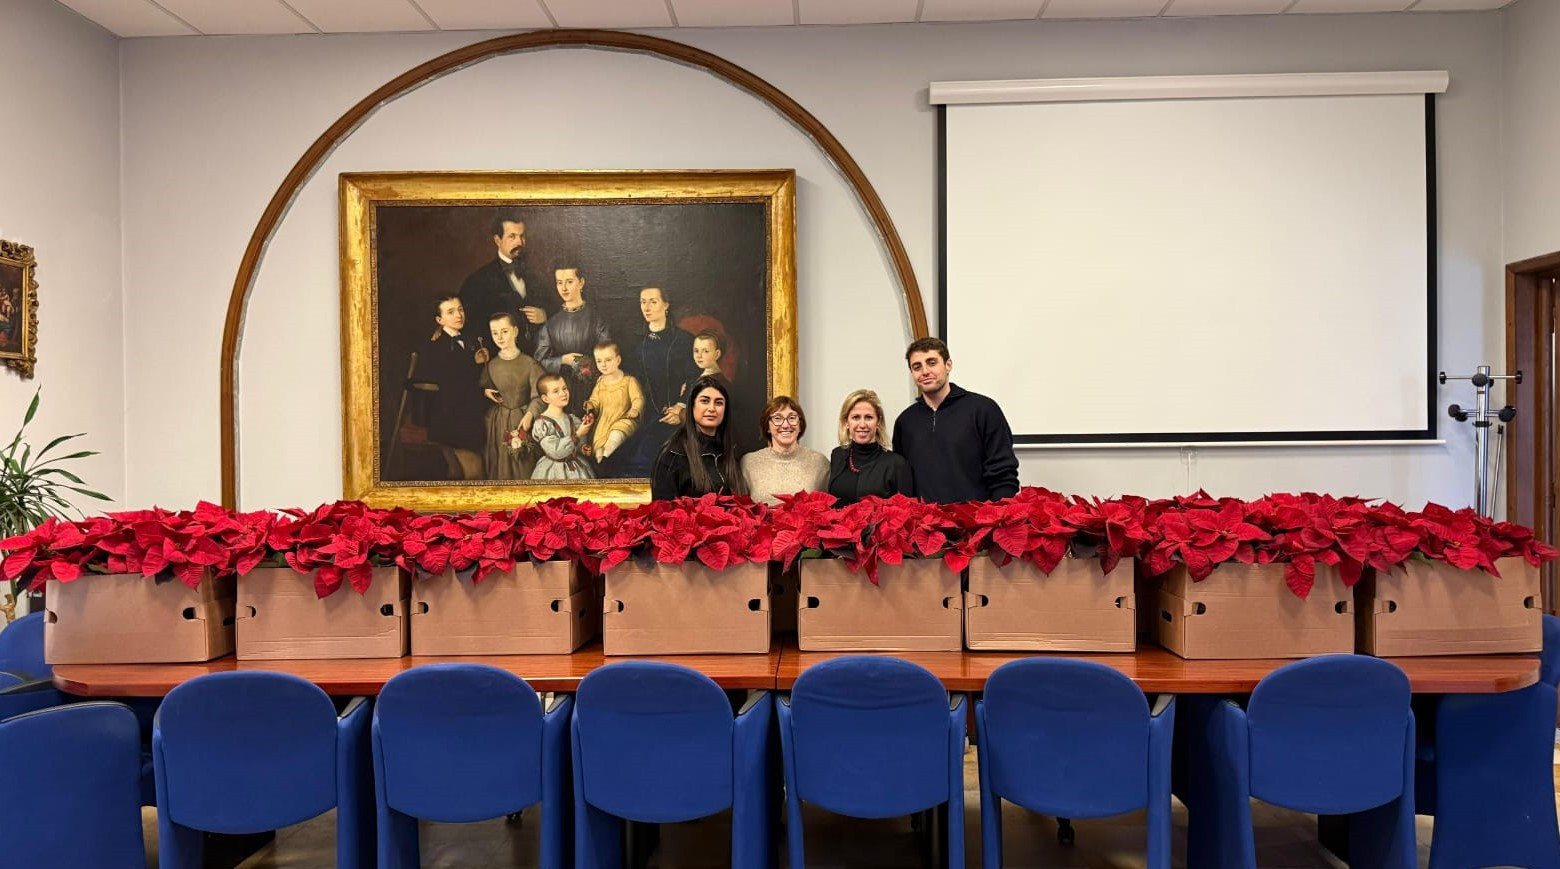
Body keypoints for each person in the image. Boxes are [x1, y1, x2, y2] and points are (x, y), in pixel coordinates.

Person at [891, 337, 1020, 504]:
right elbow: (903, 482)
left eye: (932, 363)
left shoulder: (983, 410)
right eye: (917, 367)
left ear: (948, 365)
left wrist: (998, 515)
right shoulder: (905, 422)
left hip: (974, 518)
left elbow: (1003, 475)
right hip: (925, 519)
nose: (925, 371)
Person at [623, 286, 701, 476]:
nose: (646, 307)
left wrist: (681, 407)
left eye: (653, 301)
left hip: (674, 414)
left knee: (650, 459)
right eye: (643, 302)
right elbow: (630, 380)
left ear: (666, 305)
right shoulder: (635, 343)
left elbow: (695, 377)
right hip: (644, 412)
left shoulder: (684, 340)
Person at [415, 294, 491, 471]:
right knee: (474, 471)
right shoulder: (434, 346)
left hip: (470, 415)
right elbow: (450, 382)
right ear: (439, 320)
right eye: (451, 312)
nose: (458, 315)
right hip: (452, 419)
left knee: (461, 471)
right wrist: (473, 362)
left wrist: (481, 362)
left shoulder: (471, 340)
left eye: (460, 309)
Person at [458, 214, 548, 356]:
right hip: (498, 358)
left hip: (534, 356)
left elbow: (556, 306)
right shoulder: (478, 280)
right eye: (512, 236)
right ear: (497, 240)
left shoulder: (534, 276)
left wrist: (544, 315)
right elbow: (466, 324)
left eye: (522, 236)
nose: (519, 242)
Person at [651, 375, 748, 500]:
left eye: (718, 403)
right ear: (692, 407)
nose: (711, 408)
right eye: (705, 401)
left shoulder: (731, 451)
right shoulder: (672, 455)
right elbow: (662, 510)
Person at [533, 263, 611, 414]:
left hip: (595, 388)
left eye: (569, 282)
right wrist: (563, 360)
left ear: (581, 283)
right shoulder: (551, 324)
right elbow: (539, 361)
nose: (564, 288)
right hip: (563, 394)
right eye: (559, 283)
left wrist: (587, 364)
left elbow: (609, 353)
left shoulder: (597, 320)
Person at [479, 312, 544, 480]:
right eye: (495, 333)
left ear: (515, 332)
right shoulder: (491, 365)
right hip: (497, 423)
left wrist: (530, 415)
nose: (499, 337)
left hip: (522, 421)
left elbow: (540, 396)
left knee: (523, 467)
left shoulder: (530, 363)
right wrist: (485, 391)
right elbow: (482, 388)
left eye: (504, 331)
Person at [829, 389, 914, 504]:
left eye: (868, 417)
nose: (862, 425)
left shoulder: (897, 464)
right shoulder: (837, 455)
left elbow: (905, 510)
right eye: (856, 417)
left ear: (878, 422)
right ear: (846, 422)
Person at [741, 395, 829, 505]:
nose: (786, 425)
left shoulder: (819, 462)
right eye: (777, 418)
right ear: (767, 427)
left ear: (800, 425)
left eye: (792, 418)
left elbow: (827, 507)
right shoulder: (749, 463)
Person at [582, 340, 644, 473]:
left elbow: (638, 399)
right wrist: (590, 405)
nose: (603, 365)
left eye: (608, 360)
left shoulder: (629, 381)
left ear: (618, 360)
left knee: (616, 433)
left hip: (624, 418)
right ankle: (601, 464)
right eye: (599, 361)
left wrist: (635, 409)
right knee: (599, 445)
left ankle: (606, 457)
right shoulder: (600, 384)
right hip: (604, 422)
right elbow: (595, 401)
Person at [531, 374, 595, 481]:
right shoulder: (543, 423)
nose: (563, 393)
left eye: (564, 388)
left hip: (577, 468)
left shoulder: (572, 419)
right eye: (556, 391)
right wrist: (578, 434)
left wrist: (582, 448)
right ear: (545, 398)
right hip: (553, 470)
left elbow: (578, 443)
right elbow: (556, 452)